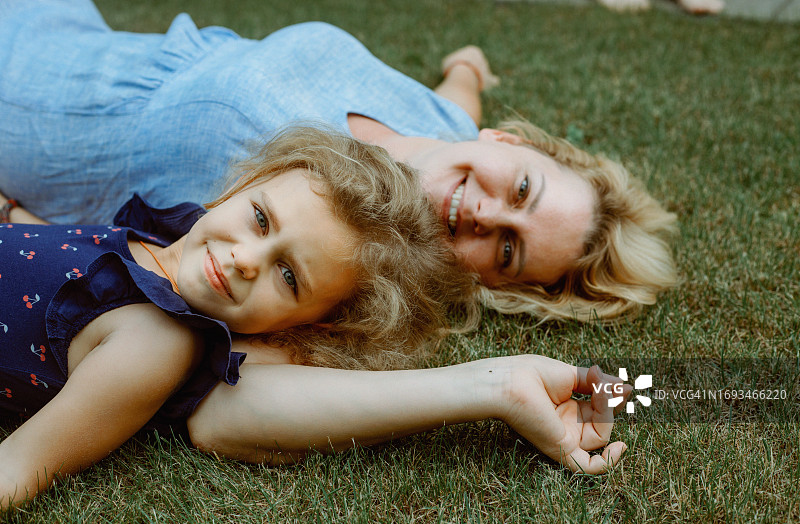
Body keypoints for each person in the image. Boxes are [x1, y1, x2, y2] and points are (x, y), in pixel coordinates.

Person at [0, 0, 678, 323]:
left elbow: (161, 298)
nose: (484, 211)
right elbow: (458, 96)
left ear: (489, 282)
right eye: (521, 190)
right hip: (68, 25)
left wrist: (23, 216)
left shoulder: (349, 266)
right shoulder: (448, 124)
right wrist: (468, 63)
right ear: (508, 142)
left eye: (507, 250)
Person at [0, 126, 479, 508]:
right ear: (246, 184)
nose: (247, 259)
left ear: (310, 325)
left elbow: (17, 469)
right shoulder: (156, 242)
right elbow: (60, 264)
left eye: (289, 277)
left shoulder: (155, 340)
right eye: (261, 219)